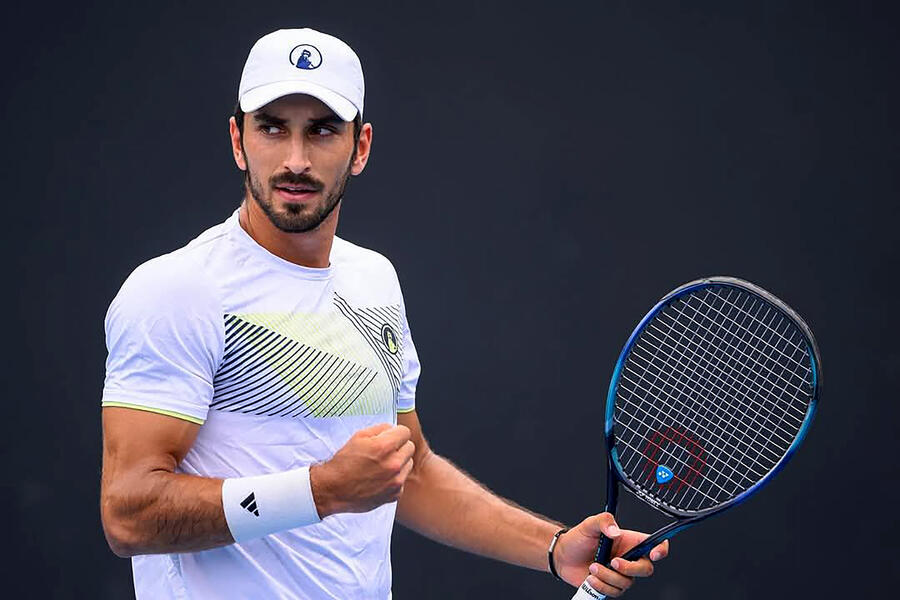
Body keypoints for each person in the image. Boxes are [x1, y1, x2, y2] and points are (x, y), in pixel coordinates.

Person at [99, 28, 669, 599]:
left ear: (362, 147)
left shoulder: (374, 282)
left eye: (322, 130)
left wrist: (552, 546)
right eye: (272, 127)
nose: (295, 159)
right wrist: (321, 490)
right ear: (238, 141)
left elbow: (411, 471)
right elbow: (128, 515)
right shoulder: (176, 290)